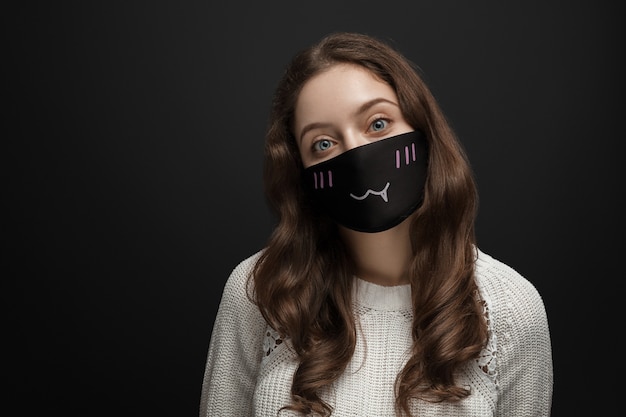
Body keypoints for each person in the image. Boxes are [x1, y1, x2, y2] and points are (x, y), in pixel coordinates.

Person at [200, 32, 553, 417]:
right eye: (322, 144)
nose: (354, 153)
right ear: (300, 172)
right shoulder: (260, 291)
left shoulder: (511, 309)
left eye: (378, 123)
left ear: (422, 128)